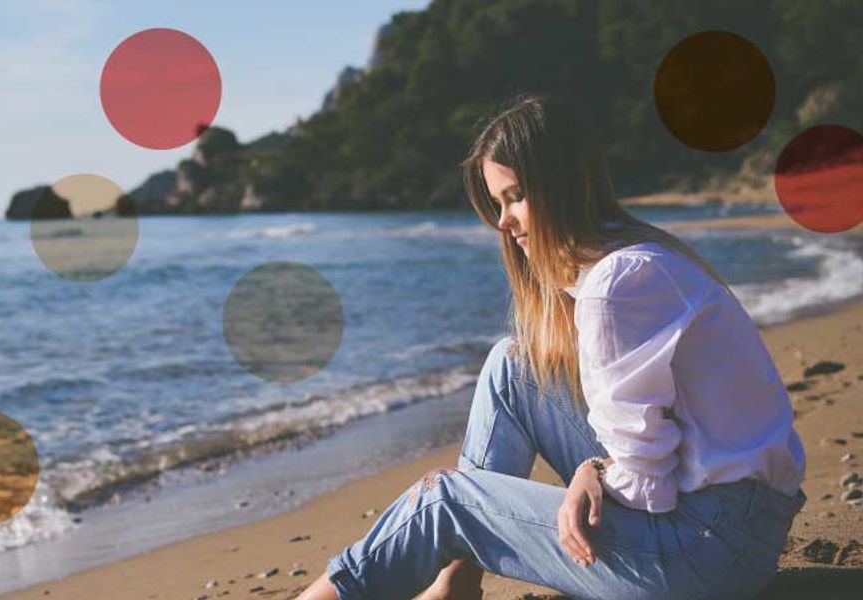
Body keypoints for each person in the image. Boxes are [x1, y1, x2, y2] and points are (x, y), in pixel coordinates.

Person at [295, 95, 806, 600]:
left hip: (703, 552)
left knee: (443, 502)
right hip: (735, 530)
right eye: (497, 203)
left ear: (565, 185)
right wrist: (599, 473)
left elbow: (649, 487)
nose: (503, 222)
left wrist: (594, 472)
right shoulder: (637, 257)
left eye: (515, 196)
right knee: (512, 365)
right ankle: (458, 582)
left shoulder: (616, 284)